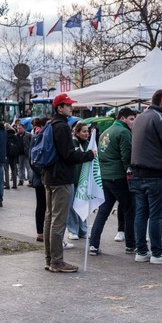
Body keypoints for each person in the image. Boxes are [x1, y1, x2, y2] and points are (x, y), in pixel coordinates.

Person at [43, 94, 95, 273]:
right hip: (61, 178)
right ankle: (57, 261)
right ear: (59, 108)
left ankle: (50, 259)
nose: (71, 107)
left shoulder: (50, 124)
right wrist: (89, 155)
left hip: (49, 177)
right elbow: (68, 155)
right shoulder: (63, 127)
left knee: (50, 219)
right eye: (68, 105)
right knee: (58, 220)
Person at [129, 89, 162, 265]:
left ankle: (142, 251)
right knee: (157, 215)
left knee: (141, 214)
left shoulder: (139, 118)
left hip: (138, 173)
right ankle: (158, 253)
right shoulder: (161, 118)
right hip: (158, 174)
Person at [88, 107, 137, 256]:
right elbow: (126, 157)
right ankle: (130, 244)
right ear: (123, 118)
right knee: (129, 209)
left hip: (106, 177)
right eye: (131, 119)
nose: (133, 122)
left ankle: (93, 245)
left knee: (103, 212)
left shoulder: (106, 131)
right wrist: (130, 173)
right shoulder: (123, 132)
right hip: (119, 177)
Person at [65, 121, 90, 243]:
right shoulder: (72, 143)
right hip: (73, 179)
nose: (87, 134)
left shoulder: (89, 144)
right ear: (77, 132)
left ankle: (83, 229)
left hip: (84, 180)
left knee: (83, 205)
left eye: (87, 131)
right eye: (84, 131)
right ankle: (73, 230)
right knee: (72, 206)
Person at [29, 117, 47, 242]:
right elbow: (33, 160)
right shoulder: (38, 138)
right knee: (42, 206)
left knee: (42, 205)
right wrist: (42, 173)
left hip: (40, 177)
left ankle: (41, 232)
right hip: (41, 178)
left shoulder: (37, 137)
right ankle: (41, 232)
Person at [4, 123, 20, 190]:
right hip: (13, 154)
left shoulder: (4, 135)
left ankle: (7, 185)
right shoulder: (15, 135)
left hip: (6, 154)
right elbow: (18, 145)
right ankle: (14, 184)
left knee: (6, 169)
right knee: (14, 169)